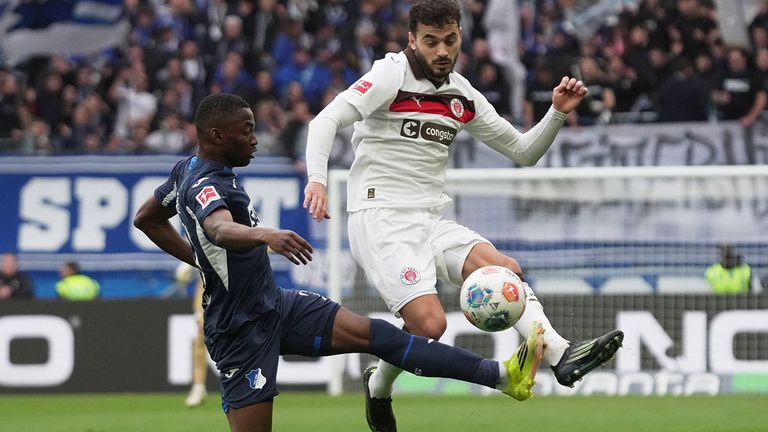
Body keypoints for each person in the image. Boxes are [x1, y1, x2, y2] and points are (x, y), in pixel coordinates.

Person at [134, 93, 553, 432]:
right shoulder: (206, 182)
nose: (255, 140)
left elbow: (146, 218)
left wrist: (198, 260)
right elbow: (220, 229)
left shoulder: (184, 170)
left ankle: (502, 377)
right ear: (216, 135)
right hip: (238, 328)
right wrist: (266, 235)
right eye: (247, 132)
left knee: (382, 337)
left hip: (274, 305)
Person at [302, 2, 624, 431]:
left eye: (449, 40)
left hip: (431, 218)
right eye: (431, 41)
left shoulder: (463, 95)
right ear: (412, 40)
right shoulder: (390, 75)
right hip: (380, 218)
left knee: (504, 268)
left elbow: (524, 152)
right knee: (429, 325)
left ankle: (561, 355)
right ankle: (378, 388)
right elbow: (324, 121)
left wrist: (558, 111)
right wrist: (317, 180)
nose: (441, 51)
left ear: (460, 38)